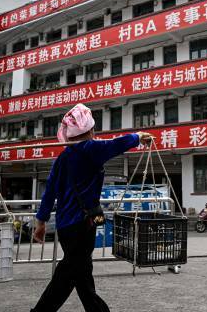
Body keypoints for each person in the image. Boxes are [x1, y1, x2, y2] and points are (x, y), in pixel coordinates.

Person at [31, 103, 153, 312]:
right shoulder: (90, 148)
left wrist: (41, 222)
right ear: (90, 130)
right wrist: (139, 136)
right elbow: (116, 144)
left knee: (81, 271)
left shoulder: (63, 157)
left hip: (66, 226)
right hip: (83, 224)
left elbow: (50, 192)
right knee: (69, 273)